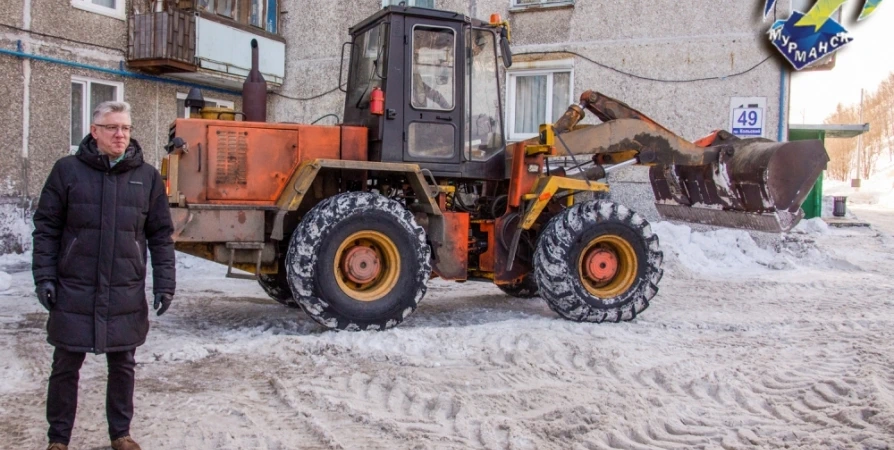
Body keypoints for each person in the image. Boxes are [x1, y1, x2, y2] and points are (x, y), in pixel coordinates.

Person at [32, 101, 176, 450]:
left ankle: (121, 434)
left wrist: (165, 283)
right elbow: (46, 228)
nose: (120, 134)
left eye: (125, 127)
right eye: (112, 127)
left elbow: (160, 234)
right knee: (66, 365)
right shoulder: (67, 171)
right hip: (74, 287)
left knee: (124, 365)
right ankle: (58, 439)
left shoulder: (147, 177)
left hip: (123, 288)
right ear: (94, 131)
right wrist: (45, 276)